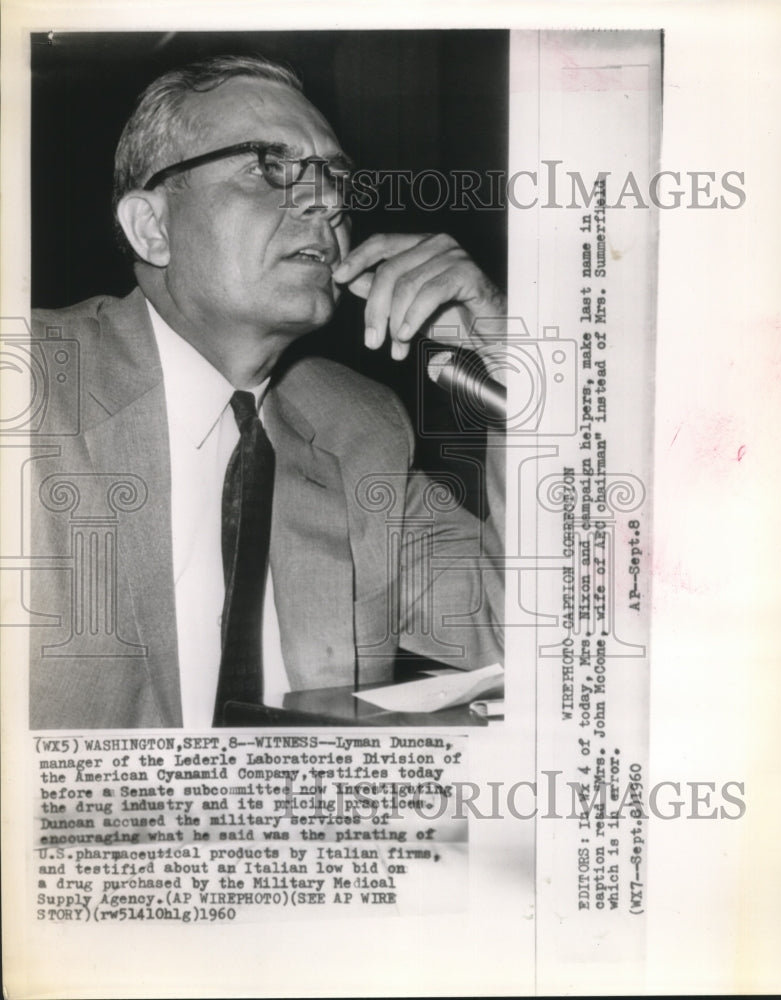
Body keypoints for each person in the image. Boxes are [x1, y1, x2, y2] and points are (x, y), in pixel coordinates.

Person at [28, 54, 505, 729]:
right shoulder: (30, 389)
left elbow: (537, 633)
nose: (328, 201)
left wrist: (511, 360)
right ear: (152, 227)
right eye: (266, 167)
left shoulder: (358, 425)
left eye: (335, 176)